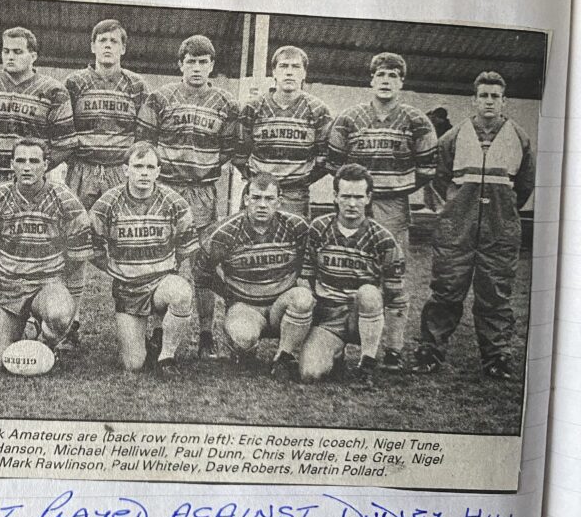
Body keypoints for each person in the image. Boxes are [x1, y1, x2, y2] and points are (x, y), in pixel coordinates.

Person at [414, 72, 536, 380]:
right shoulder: (454, 136)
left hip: (499, 230)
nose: (489, 101)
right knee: (446, 292)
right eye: (484, 95)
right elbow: (437, 178)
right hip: (457, 230)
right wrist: (453, 210)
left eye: (495, 96)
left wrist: (504, 213)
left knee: (495, 295)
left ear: (504, 100)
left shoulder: (519, 137)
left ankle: (496, 358)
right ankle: (429, 353)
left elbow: (525, 184)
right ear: (474, 99)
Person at [137, 34, 241, 360]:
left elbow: (230, 148)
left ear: (212, 65)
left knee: (203, 266)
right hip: (165, 189)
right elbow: (144, 140)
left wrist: (203, 168)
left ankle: (206, 335)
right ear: (180, 64)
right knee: (162, 261)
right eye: (191, 61)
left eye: (203, 61)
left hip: (203, 193)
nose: (197, 67)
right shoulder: (160, 98)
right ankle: (155, 331)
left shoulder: (226, 103)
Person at [0, 138, 92, 369]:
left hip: (47, 285)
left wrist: (69, 319)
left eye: (34, 161)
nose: (27, 167)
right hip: (8, 289)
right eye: (21, 160)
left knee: (58, 315)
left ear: (46, 165)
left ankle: (45, 340)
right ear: (11, 164)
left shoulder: (67, 203)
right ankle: (26, 326)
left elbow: (77, 264)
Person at [90, 141, 198, 376]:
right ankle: (150, 342)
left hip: (161, 283)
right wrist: (116, 269)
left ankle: (166, 356)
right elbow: (93, 246)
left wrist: (167, 267)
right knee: (133, 365)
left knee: (181, 293)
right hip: (128, 289)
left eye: (150, 167)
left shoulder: (174, 203)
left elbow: (185, 245)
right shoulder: (107, 204)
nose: (144, 172)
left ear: (158, 171)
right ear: (125, 169)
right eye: (138, 166)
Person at [193, 173, 314, 379]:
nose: (262, 204)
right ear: (246, 199)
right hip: (245, 306)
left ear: (279, 201)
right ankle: (244, 351)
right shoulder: (225, 232)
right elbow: (201, 273)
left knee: (303, 298)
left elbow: (310, 264)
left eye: (269, 199)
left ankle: (284, 357)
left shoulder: (297, 227)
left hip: (280, 306)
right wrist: (229, 293)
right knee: (243, 336)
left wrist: (298, 283)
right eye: (256, 198)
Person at [299, 164, 408, 380]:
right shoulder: (318, 229)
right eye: (346, 196)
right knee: (309, 373)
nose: (351, 203)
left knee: (368, 292)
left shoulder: (383, 239)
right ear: (335, 196)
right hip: (329, 316)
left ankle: (367, 361)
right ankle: (335, 352)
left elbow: (397, 295)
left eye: (358, 197)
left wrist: (393, 348)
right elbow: (305, 278)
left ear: (368, 198)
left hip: (363, 316)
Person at [326, 52, 438, 256]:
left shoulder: (417, 121)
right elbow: (334, 165)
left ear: (401, 82)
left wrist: (398, 186)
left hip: (394, 204)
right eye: (381, 74)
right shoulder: (348, 119)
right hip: (354, 200)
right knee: (350, 256)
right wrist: (355, 189)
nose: (386, 80)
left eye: (393, 76)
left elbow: (427, 170)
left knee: (391, 260)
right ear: (372, 80)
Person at [0, 26, 75, 204]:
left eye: (18, 52)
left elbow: (65, 144)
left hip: (29, 183)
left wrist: (36, 168)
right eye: (6, 51)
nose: (10, 56)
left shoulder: (53, 90)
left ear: (33, 56)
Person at [237, 46, 332, 218]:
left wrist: (302, 180)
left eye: (295, 67)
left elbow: (326, 157)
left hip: (295, 195)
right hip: (259, 193)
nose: (289, 72)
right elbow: (239, 152)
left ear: (304, 73)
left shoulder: (318, 110)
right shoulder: (253, 107)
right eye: (283, 66)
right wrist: (257, 179)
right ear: (273, 72)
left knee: (294, 242)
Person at [64, 19, 149, 210]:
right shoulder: (75, 82)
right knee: (77, 223)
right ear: (93, 46)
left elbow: (144, 133)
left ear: (123, 48)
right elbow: (64, 129)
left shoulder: (136, 85)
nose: (108, 45)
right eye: (102, 40)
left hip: (120, 169)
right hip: (82, 170)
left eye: (114, 41)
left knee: (120, 224)